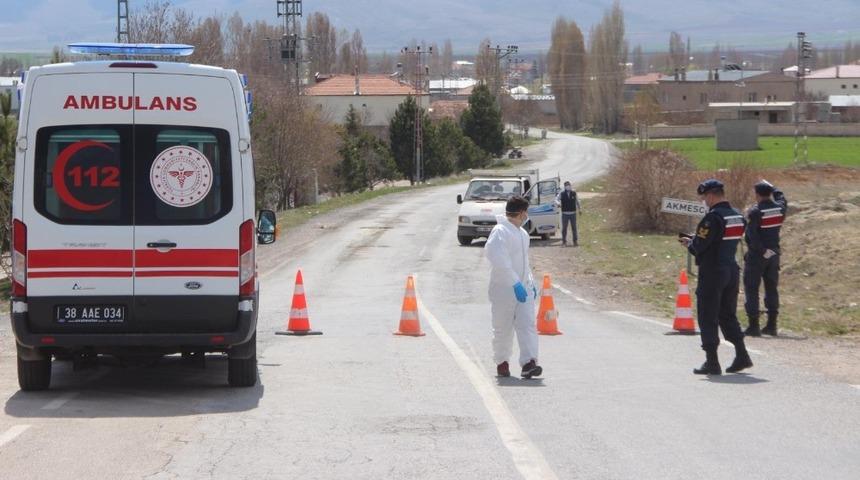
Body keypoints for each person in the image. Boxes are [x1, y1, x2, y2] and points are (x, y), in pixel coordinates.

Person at [678, 179, 753, 375]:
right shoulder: (737, 215)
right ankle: (742, 354)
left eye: (704, 197)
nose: (703, 201)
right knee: (727, 314)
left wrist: (690, 243)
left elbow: (700, 246)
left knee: (707, 314)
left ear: (711, 196)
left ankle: (712, 361)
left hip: (712, 272)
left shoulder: (712, 218)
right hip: (731, 270)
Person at [484, 195, 543, 379]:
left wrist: (530, 282)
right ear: (521, 213)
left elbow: (524, 262)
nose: (527, 216)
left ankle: (529, 363)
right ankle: (502, 362)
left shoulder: (523, 234)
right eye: (526, 212)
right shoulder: (500, 231)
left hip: (523, 289)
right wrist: (514, 282)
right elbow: (498, 258)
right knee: (503, 328)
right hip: (503, 290)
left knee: (527, 325)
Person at [743, 180, 788, 337]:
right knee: (771, 288)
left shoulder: (755, 212)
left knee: (751, 288)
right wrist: (773, 187)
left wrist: (761, 251)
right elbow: (782, 198)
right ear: (769, 193)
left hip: (758, 255)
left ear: (757, 194)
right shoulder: (780, 208)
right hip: (774, 254)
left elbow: (752, 236)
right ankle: (771, 325)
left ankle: (753, 326)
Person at [555, 181, 582, 246]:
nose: (568, 186)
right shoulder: (562, 193)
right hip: (565, 214)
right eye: (567, 185)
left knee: (574, 228)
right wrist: (558, 203)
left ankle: (575, 241)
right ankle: (564, 242)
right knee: (564, 228)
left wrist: (580, 209)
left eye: (569, 185)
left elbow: (578, 201)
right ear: (564, 187)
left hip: (573, 213)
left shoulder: (574, 193)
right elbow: (556, 200)